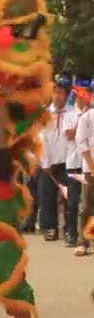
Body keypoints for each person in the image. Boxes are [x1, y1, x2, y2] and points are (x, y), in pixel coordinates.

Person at [39, 77, 73, 241]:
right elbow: (41, 139)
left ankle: (69, 228)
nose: (57, 96)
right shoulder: (45, 114)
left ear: (67, 94)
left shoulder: (73, 113)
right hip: (49, 162)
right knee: (47, 196)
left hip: (68, 162)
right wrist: (45, 162)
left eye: (60, 92)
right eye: (55, 92)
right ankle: (50, 227)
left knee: (69, 197)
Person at [63, 83, 89, 248]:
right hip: (73, 163)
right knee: (72, 201)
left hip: (88, 164)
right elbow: (69, 136)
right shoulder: (70, 115)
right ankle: (71, 233)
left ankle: (86, 235)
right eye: (82, 94)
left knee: (87, 204)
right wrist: (82, 120)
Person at [75, 87, 94, 256]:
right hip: (90, 170)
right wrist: (92, 166)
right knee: (87, 206)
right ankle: (83, 242)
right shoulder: (86, 118)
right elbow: (81, 143)